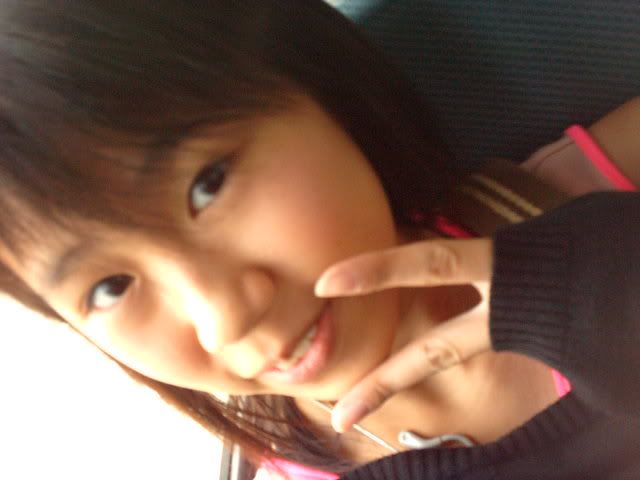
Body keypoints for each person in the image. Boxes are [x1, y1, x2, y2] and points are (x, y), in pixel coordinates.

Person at [0, 1, 638, 478]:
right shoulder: (298, 468)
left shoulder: (580, 204)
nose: (225, 318)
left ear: (319, 88)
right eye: (110, 288)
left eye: (207, 185)